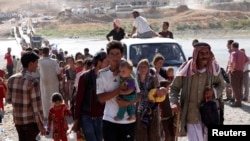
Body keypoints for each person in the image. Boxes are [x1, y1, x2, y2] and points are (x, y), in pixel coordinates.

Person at [169, 42, 225, 141]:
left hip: (209, 113)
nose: (205, 56)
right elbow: (174, 88)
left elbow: (221, 85)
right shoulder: (186, 69)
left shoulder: (214, 69)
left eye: (207, 53)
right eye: (202, 53)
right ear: (196, 54)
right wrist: (174, 102)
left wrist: (214, 92)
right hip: (191, 114)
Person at [96, 40, 140, 141]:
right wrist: (119, 90)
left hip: (127, 121)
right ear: (107, 56)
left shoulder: (130, 72)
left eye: (117, 54)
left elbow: (138, 95)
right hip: (109, 120)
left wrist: (127, 103)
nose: (115, 57)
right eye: (112, 54)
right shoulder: (101, 74)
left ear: (122, 55)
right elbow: (101, 98)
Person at [6, 51, 46, 140]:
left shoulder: (11, 79)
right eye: (36, 63)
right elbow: (36, 108)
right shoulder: (33, 82)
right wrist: (41, 125)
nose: (37, 66)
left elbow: (8, 99)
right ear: (30, 64)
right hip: (30, 122)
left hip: (17, 120)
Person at [71, 51, 109, 141]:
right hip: (87, 117)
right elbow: (79, 99)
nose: (109, 64)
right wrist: (76, 119)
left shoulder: (109, 76)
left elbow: (130, 81)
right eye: (107, 61)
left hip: (102, 116)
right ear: (99, 62)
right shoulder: (85, 77)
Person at [135, 59, 160, 141]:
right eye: (141, 67)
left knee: (153, 132)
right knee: (140, 132)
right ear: (138, 68)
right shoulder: (133, 80)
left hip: (152, 108)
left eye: (145, 67)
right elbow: (130, 90)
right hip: (139, 108)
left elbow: (158, 92)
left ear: (148, 68)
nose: (143, 69)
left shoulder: (153, 79)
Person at [39, 47, 61, 119]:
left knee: (45, 97)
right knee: (55, 97)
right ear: (49, 52)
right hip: (53, 81)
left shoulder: (39, 61)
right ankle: (56, 112)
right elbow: (58, 71)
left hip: (44, 81)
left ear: (42, 52)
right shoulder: (54, 61)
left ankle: (47, 114)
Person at [228, 42, 249, 107]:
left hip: (235, 71)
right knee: (239, 87)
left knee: (235, 87)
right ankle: (239, 101)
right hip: (241, 71)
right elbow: (247, 60)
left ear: (232, 46)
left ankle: (238, 102)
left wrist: (232, 69)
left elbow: (233, 62)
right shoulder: (242, 53)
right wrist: (242, 65)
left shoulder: (233, 53)